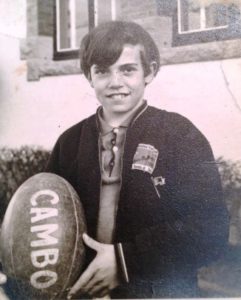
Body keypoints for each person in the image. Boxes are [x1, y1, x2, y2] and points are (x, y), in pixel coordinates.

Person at [46, 21, 229, 299]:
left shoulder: (180, 135)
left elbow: (210, 230)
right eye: (103, 71)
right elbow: (46, 222)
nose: (115, 82)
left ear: (150, 72)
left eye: (128, 69)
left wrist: (124, 261)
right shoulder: (69, 143)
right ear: (89, 76)